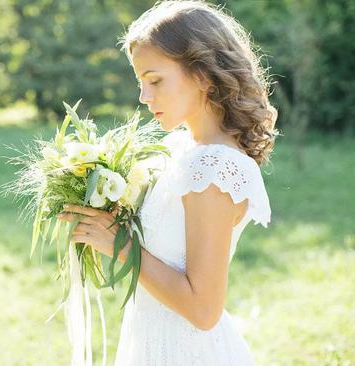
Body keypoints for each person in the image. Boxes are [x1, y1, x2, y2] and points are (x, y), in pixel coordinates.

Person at [58, 0, 278, 364]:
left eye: (155, 80)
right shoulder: (178, 148)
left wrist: (119, 243)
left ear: (203, 74)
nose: (144, 98)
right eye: (141, 83)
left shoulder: (213, 169)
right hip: (150, 340)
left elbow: (203, 310)